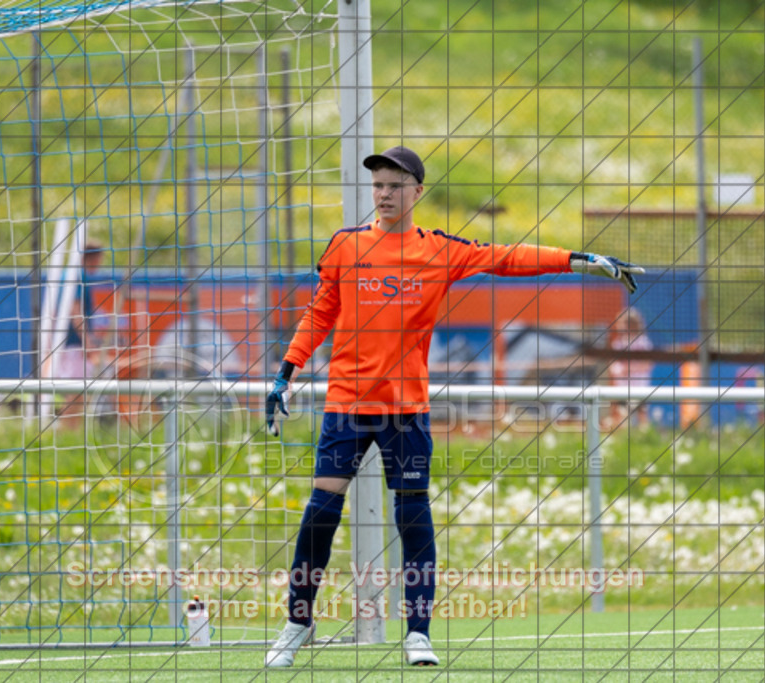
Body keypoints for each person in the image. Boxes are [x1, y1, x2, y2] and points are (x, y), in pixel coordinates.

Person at [263, 146, 643, 668]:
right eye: (378, 185)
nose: (385, 194)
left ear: (417, 192)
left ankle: (417, 633)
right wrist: (287, 370)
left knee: (413, 517)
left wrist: (578, 261)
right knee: (321, 513)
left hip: (407, 409)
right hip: (347, 404)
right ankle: (297, 623)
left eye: (396, 185)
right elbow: (318, 314)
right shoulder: (345, 247)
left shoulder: (438, 251)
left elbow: (507, 257)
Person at [53, 242, 106, 422]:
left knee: (79, 393)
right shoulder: (76, 276)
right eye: (99, 259)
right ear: (90, 258)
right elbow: (74, 310)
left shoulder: (67, 275)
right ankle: (66, 431)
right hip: (72, 343)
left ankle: (68, 430)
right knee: (76, 392)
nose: (100, 264)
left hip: (65, 342)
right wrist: (87, 341)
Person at [605, 307, 655, 428]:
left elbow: (648, 364)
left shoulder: (643, 343)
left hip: (639, 387)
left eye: (621, 323)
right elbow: (613, 365)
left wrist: (629, 368)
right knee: (622, 416)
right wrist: (617, 369)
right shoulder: (617, 343)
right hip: (622, 387)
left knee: (642, 415)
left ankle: (645, 438)